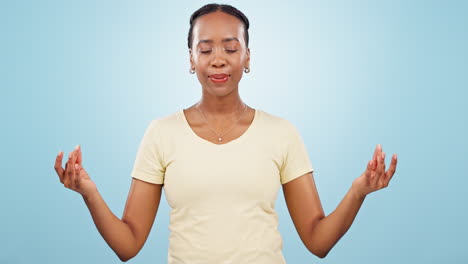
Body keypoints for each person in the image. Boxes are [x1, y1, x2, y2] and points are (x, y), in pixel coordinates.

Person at [53, 3, 398, 263]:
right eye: (205, 49)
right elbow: (128, 246)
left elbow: (317, 241)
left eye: (231, 48)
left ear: (247, 57)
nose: (218, 59)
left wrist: (358, 191)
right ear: (191, 59)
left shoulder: (281, 133)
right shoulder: (161, 133)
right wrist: (89, 192)